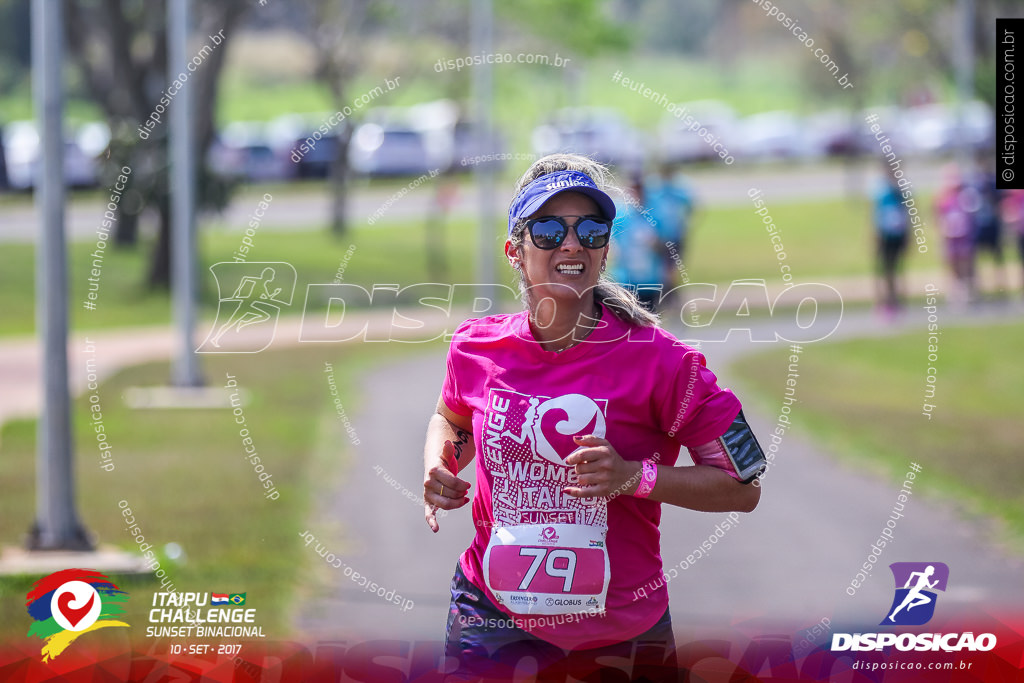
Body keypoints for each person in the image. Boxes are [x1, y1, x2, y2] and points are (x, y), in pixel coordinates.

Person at [422, 153, 766, 680]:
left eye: (590, 229)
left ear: (605, 249)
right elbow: (454, 421)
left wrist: (633, 477)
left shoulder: (665, 361)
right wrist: (439, 466)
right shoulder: (476, 346)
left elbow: (743, 488)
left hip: (621, 632)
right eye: (547, 229)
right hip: (491, 617)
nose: (571, 242)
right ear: (514, 251)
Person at [608, 173, 664, 311]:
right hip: (625, 279)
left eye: (639, 190)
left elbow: (664, 246)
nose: (636, 194)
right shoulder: (619, 215)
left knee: (648, 322)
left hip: (649, 280)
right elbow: (610, 243)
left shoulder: (654, 214)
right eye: (632, 190)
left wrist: (655, 242)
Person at [871, 160, 910, 315]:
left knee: (898, 268)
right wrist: (874, 235)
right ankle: (884, 301)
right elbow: (875, 213)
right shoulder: (880, 189)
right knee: (885, 269)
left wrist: (909, 234)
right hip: (884, 234)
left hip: (898, 234)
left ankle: (898, 299)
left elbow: (909, 214)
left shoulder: (902, 189)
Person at [934, 164, 976, 305]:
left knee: (966, 264)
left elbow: (971, 215)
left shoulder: (965, 195)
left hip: (964, 236)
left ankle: (969, 292)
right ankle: (956, 294)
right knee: (953, 266)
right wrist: (943, 229)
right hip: (950, 237)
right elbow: (937, 216)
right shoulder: (942, 197)